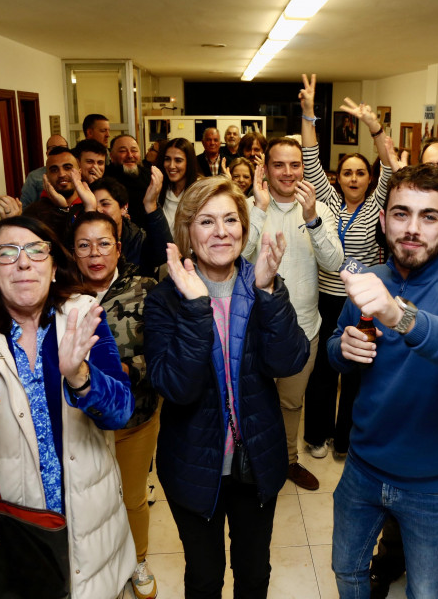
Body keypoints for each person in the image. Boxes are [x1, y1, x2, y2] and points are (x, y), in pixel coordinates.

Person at [0, 216, 136, 599]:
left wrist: (80, 376)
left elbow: (120, 413)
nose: (23, 262)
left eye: (36, 251)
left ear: (54, 265)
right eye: (7, 253)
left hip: (89, 518)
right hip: (8, 524)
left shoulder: (83, 314)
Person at [327, 163, 438, 598]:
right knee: (346, 570)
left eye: (429, 216)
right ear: (383, 220)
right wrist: (342, 347)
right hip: (362, 467)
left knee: (424, 590)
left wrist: (398, 315)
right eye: (401, 214)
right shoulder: (368, 278)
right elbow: (335, 348)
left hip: (431, 483)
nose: (413, 229)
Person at [144, 177, 309, 598]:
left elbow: (289, 361)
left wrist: (270, 292)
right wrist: (198, 308)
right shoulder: (165, 299)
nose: (221, 231)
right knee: (205, 577)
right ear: (186, 232)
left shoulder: (262, 283)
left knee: (253, 574)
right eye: (206, 221)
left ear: (245, 227)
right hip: (194, 467)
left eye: (231, 219)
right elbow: (176, 387)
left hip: (257, 462)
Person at [298, 73, 396, 459]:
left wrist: (374, 127)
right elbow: (309, 157)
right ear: (337, 177)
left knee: (355, 375)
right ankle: (317, 436)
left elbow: (390, 167)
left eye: (361, 172)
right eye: (347, 172)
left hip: (360, 302)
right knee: (322, 373)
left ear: (369, 178)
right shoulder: (328, 201)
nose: (353, 178)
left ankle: (345, 439)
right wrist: (309, 114)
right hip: (324, 297)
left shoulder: (377, 205)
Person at [243, 135, 344, 491]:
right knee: (252, 401)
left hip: (304, 329)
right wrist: (257, 207)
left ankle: (287, 460)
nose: (288, 172)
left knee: (290, 402)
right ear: (265, 169)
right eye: (279, 164)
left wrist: (312, 218)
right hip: (252, 329)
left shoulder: (319, 208)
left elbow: (334, 262)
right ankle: (252, 463)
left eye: (295, 164)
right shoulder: (248, 206)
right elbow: (236, 256)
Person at [71, 211, 160, 599]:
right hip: (80, 421)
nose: (95, 253)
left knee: (132, 496)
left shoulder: (146, 289)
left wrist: (127, 369)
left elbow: (163, 356)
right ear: (72, 252)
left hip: (135, 417)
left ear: (118, 248)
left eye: (104, 243)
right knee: (88, 501)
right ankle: (96, 564)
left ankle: (138, 559)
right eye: (84, 245)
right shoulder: (60, 295)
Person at [87, 175, 170, 277]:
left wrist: (151, 205)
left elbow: (164, 254)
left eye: (105, 204)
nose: (98, 210)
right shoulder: (83, 240)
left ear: (123, 208)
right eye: (94, 205)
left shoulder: (138, 240)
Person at [157, 138, 200, 227]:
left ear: (189, 162)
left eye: (178, 160)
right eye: (167, 159)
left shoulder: (200, 191)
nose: (171, 166)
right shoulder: (159, 189)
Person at [20, 135, 69, 208]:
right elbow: (25, 207)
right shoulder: (34, 177)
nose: (58, 151)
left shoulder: (75, 173)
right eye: (53, 148)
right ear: (47, 153)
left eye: (62, 147)